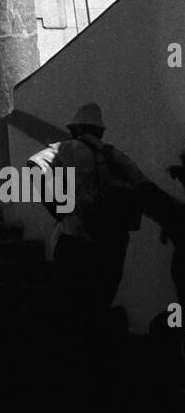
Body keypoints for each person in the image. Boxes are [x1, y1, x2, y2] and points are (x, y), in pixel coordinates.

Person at [27, 103, 146, 325]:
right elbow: (143, 186)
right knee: (100, 304)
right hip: (113, 243)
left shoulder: (66, 149)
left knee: (72, 307)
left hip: (76, 238)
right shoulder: (117, 155)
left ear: (77, 128)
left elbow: (34, 165)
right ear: (100, 131)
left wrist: (57, 207)